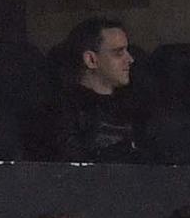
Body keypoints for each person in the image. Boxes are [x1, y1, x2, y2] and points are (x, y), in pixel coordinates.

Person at [41, 17, 144, 163]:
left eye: (127, 50)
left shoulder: (136, 106)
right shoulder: (61, 112)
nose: (130, 59)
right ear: (91, 59)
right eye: (118, 53)